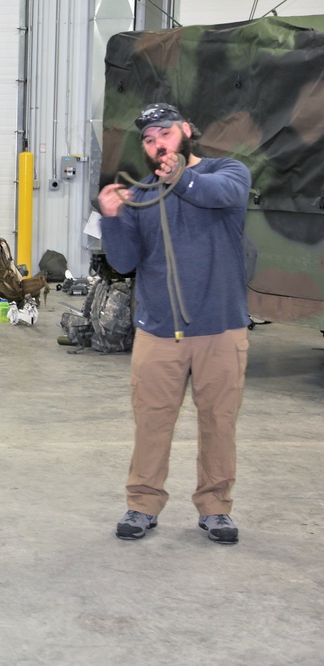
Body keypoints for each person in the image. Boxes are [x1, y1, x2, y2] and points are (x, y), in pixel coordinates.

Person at [99, 102, 251, 544]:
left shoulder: (229, 172)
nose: (156, 144)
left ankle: (215, 508)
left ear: (185, 130)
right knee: (152, 420)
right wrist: (112, 219)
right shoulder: (142, 195)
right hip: (159, 332)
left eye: (164, 133)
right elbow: (125, 261)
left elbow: (222, 196)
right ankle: (142, 504)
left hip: (220, 328)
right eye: (148, 140)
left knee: (219, 421)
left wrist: (177, 177)